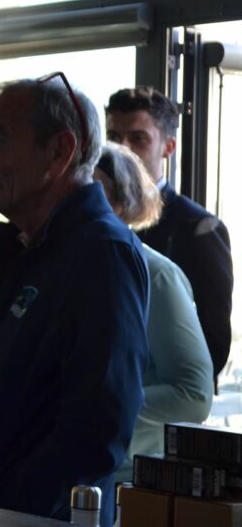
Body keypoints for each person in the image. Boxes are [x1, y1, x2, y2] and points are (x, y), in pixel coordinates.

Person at [0, 74, 148, 526]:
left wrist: (1, 509)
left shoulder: (101, 253)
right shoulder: (27, 253)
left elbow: (96, 432)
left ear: (59, 151)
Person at [94, 142, 212, 481]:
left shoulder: (157, 275)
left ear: (123, 203)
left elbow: (193, 394)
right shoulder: (61, 269)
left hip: (123, 478)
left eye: (95, 193)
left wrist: (99, 408)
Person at [106, 86, 234, 379]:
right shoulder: (92, 219)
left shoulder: (197, 228)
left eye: (138, 138)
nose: (122, 149)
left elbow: (212, 347)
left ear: (168, 147)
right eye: (113, 137)